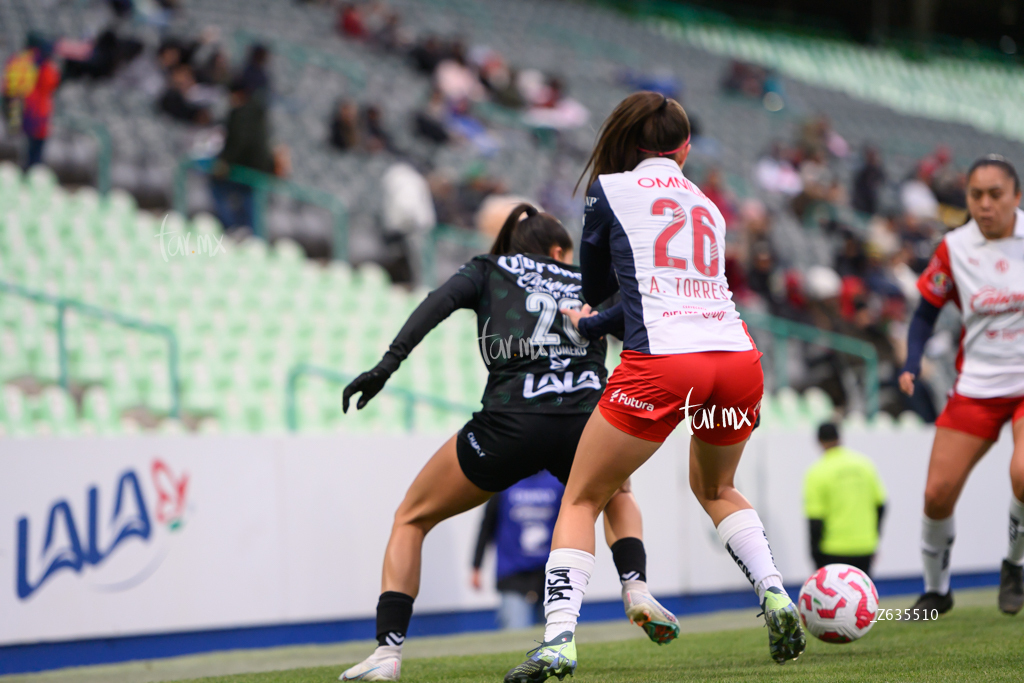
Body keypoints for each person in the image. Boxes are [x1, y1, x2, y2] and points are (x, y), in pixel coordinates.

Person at [504, 92, 805, 683]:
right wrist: (601, 319)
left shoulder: (608, 191)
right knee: (717, 486)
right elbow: (665, 291)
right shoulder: (709, 205)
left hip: (665, 363)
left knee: (583, 498)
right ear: (685, 149)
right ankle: (775, 594)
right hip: (737, 359)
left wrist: (588, 317)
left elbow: (600, 287)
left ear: (627, 142)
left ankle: (559, 642)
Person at [338, 204, 680, 682]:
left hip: (508, 425)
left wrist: (385, 367)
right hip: (583, 421)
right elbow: (642, 329)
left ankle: (387, 654)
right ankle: (636, 586)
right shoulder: (588, 279)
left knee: (411, 517)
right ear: (559, 250)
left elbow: (433, 306)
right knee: (616, 494)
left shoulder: (488, 267)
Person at [899, 154, 1024, 618]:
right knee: (936, 494)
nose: (985, 205)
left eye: (995, 195)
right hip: (976, 386)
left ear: (1016, 196)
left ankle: (1014, 564)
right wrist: (912, 360)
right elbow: (925, 312)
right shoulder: (954, 247)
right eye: (976, 195)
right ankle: (937, 593)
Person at [471, 471, 564, 630]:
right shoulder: (504, 483)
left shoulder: (558, 482)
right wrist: (476, 566)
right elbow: (487, 526)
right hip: (512, 575)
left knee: (556, 638)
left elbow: (570, 526)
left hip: (551, 575)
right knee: (515, 634)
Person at [804, 422, 887, 576]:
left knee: (834, 598)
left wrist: (815, 555)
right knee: (862, 596)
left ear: (819, 441)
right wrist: (874, 537)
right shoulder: (864, 465)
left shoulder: (817, 471)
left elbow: (815, 521)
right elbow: (881, 506)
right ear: (840, 438)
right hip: (865, 547)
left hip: (833, 549)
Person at [210, 77, 274, 232]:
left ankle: (231, 227)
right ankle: (252, 235)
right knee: (251, 203)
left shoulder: (241, 113)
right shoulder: (259, 112)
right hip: (259, 167)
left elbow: (240, 141)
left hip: (245, 167)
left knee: (219, 188)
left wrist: (225, 161)